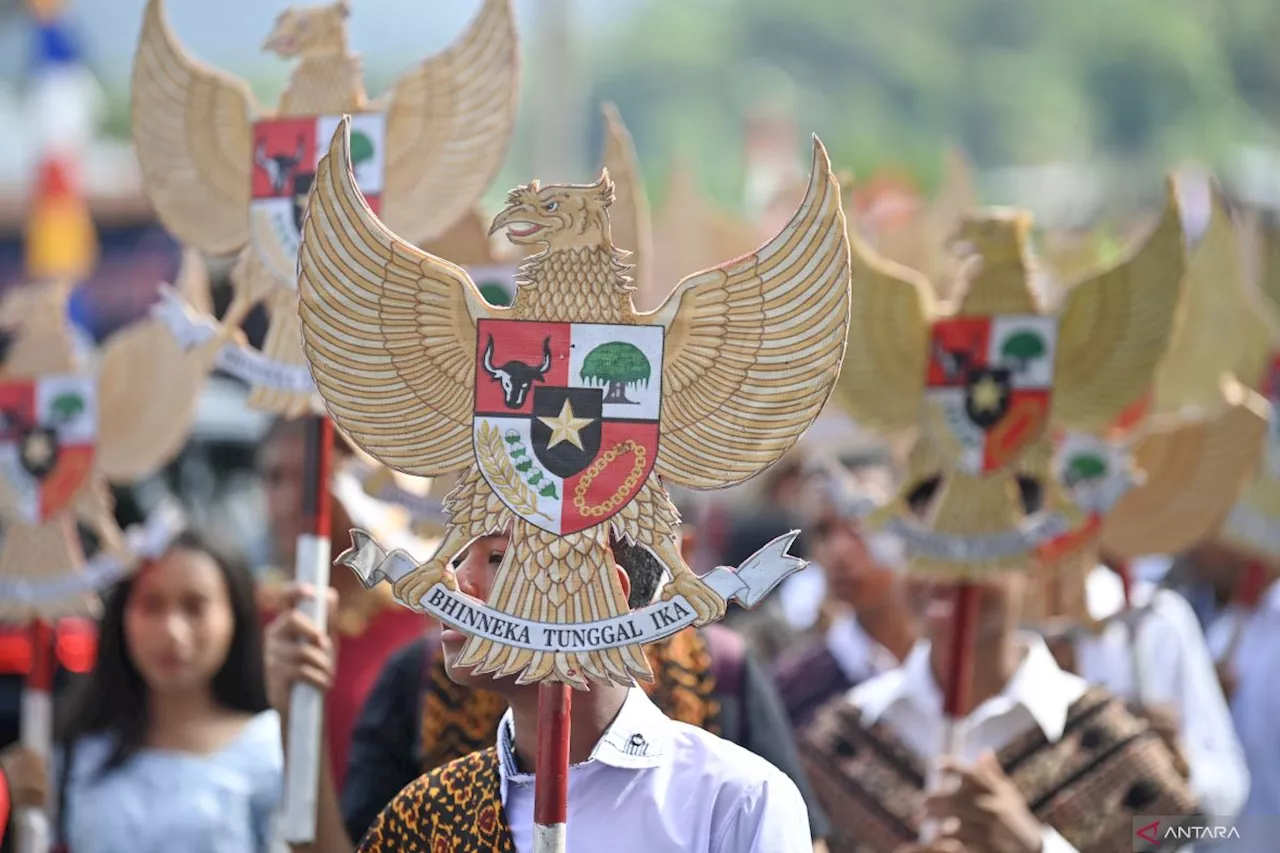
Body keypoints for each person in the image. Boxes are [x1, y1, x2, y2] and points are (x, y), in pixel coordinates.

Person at [269, 533, 813, 852]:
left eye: (499, 557)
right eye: (458, 555)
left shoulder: (738, 802)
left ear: (606, 591)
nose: (457, 583)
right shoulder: (421, 815)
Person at [798, 477, 1200, 853]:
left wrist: (1035, 846)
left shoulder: (1111, 739)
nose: (948, 572)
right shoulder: (838, 743)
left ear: (1032, 565)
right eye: (926, 545)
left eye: (977, 546)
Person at [0, 530, 283, 852]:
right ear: (122, 616)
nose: (172, 632)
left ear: (235, 614)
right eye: (151, 605)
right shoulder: (73, 752)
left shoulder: (271, 748)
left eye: (195, 607)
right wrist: (16, 800)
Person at [255, 417, 425, 789]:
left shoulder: (415, 621)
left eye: (311, 478)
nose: (287, 501)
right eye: (274, 478)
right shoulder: (251, 616)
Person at [773, 469, 917, 727]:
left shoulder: (962, 667)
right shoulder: (792, 690)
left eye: (860, 526)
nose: (837, 551)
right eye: (823, 533)